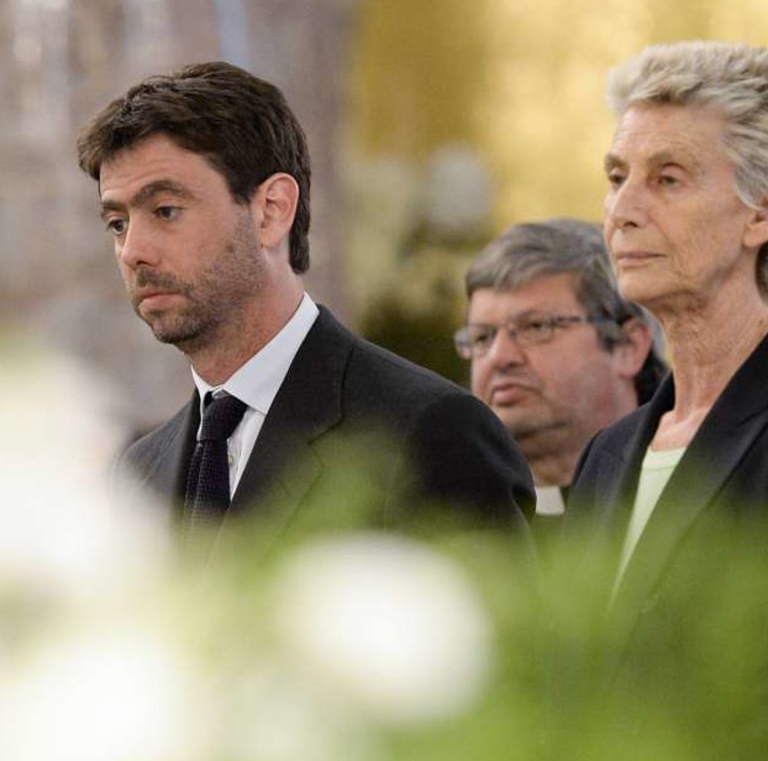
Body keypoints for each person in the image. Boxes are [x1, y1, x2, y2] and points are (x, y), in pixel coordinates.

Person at [76, 62, 534, 555]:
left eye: (165, 210)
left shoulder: (428, 432)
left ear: (271, 210)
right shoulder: (138, 472)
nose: (132, 251)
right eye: (118, 223)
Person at [566, 41, 768, 645]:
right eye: (617, 177)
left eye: (668, 178)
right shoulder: (607, 454)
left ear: (758, 214)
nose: (621, 211)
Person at [455, 219, 665, 527]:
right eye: (482, 337)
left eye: (536, 326)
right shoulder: (451, 518)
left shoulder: (689, 489)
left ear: (628, 346)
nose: (499, 357)